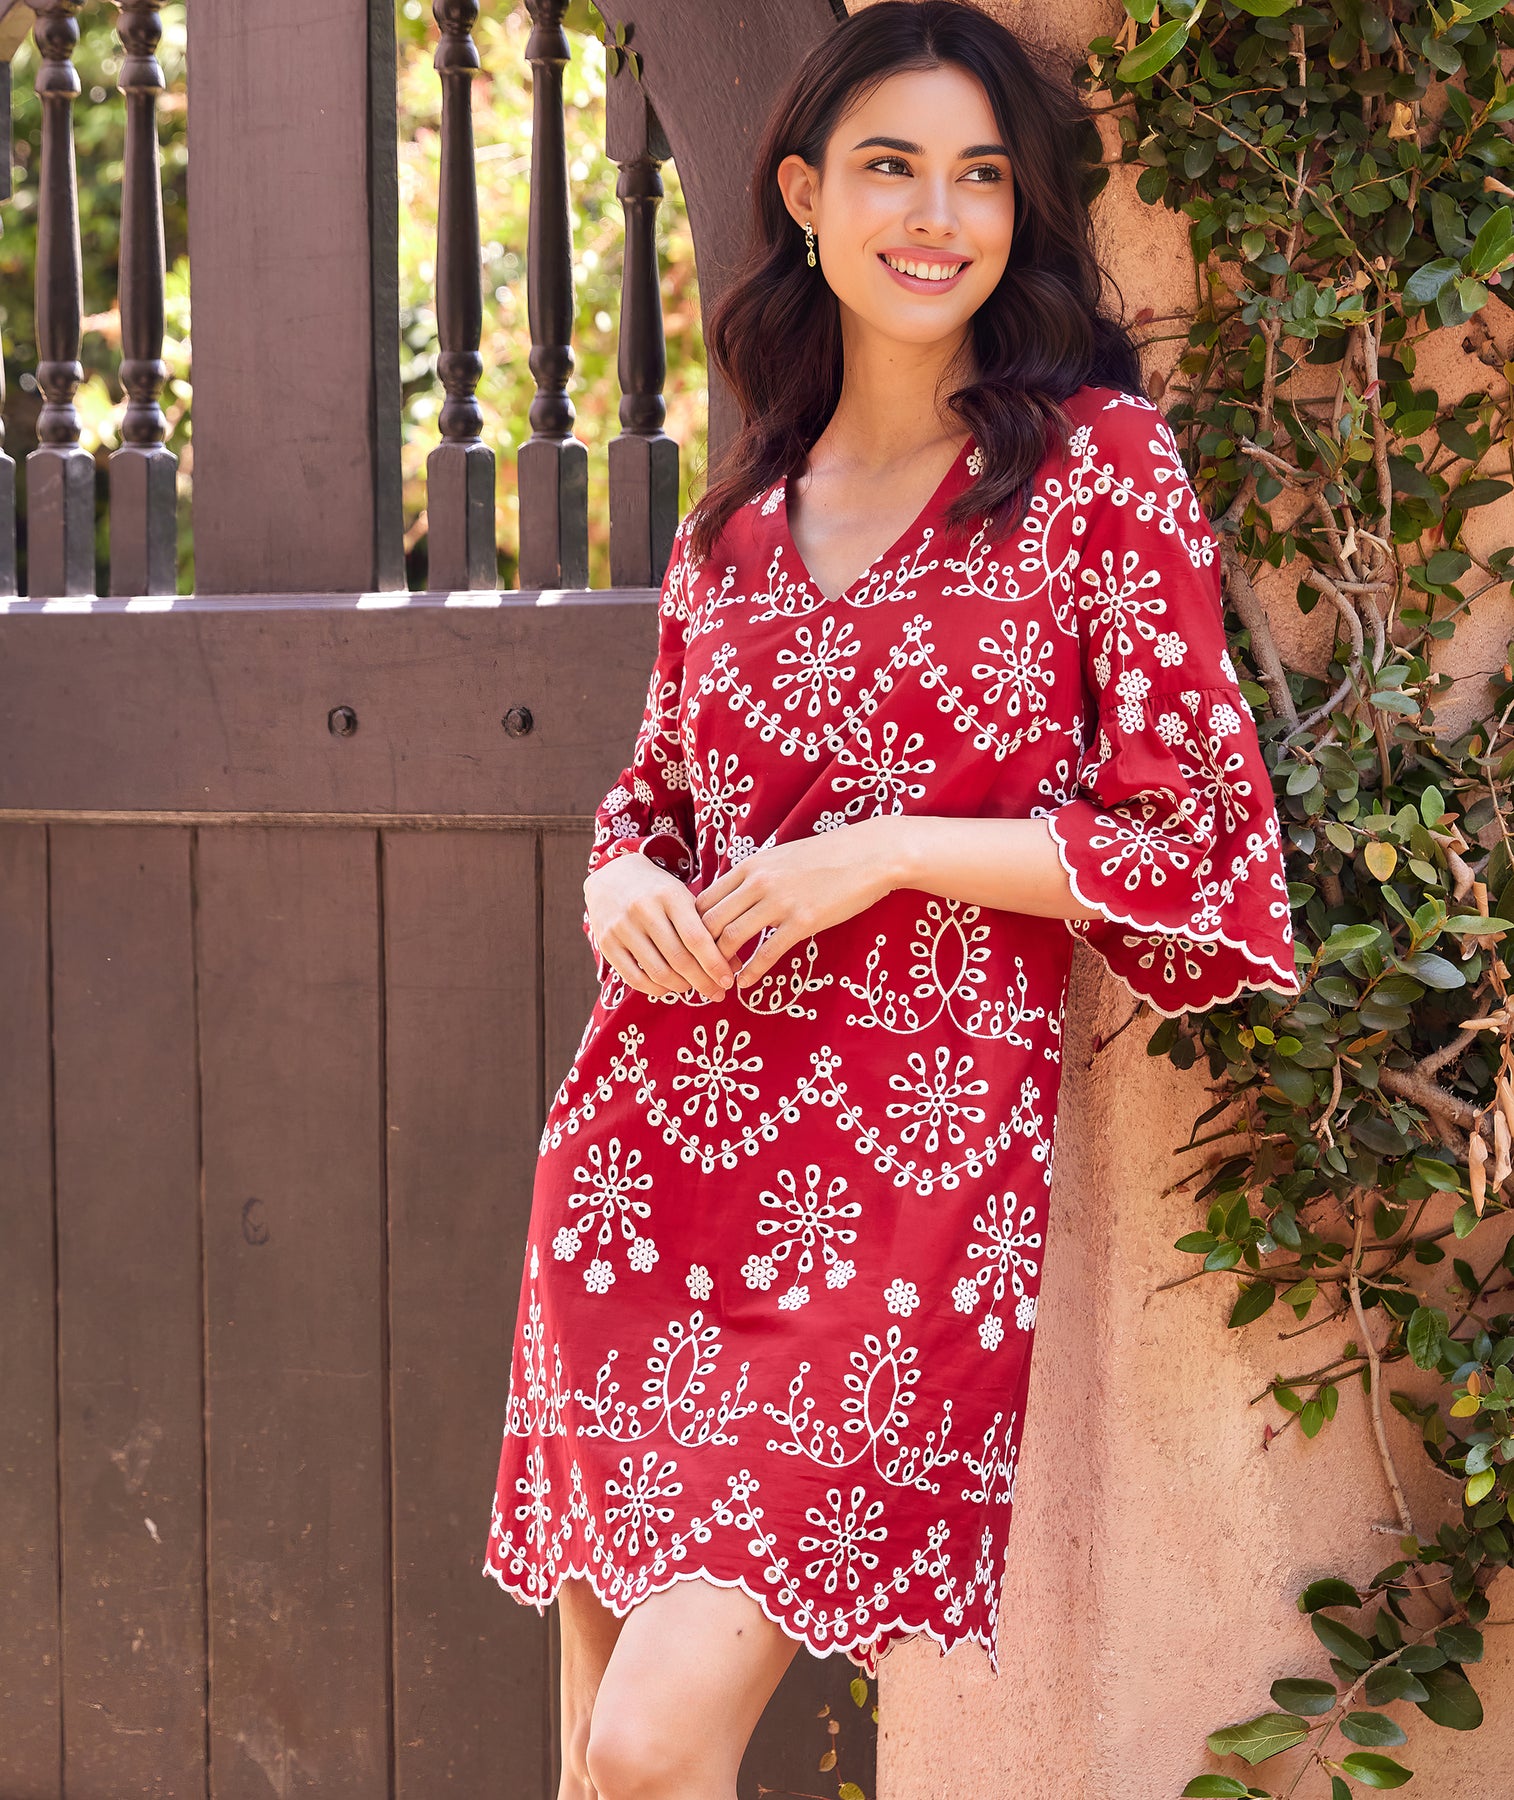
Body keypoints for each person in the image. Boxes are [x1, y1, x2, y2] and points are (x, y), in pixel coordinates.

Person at [482, 4, 1299, 1796]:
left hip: (902, 1189)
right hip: (647, 1158)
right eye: (889, 167)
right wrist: (619, 877)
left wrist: (893, 847)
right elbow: (655, 797)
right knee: (604, 1768)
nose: (937, 215)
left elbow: (1201, 844)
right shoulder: (739, 517)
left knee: (648, 1747)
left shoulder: (1094, 472)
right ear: (802, 194)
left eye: (979, 175)